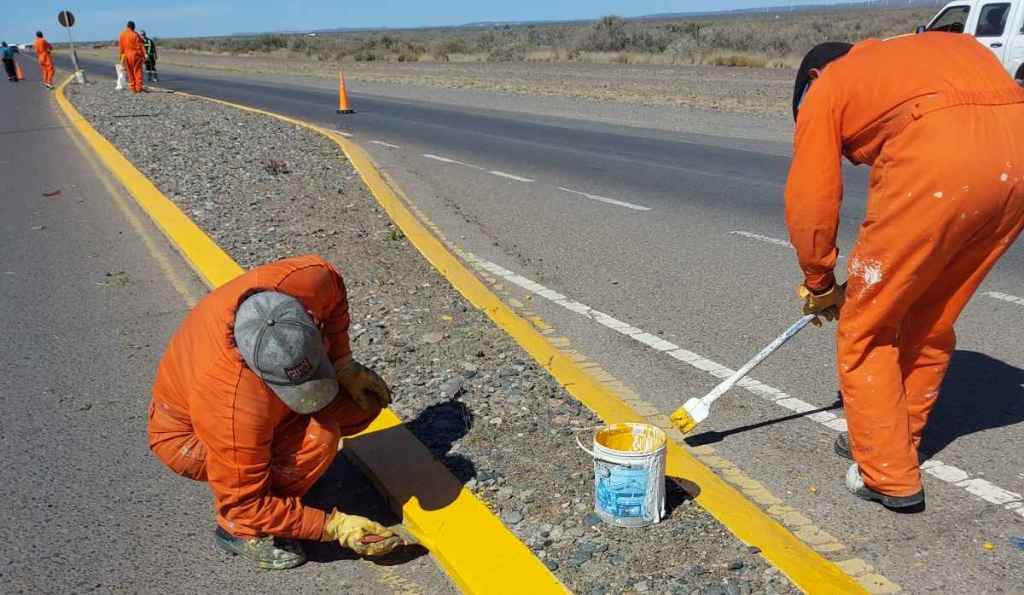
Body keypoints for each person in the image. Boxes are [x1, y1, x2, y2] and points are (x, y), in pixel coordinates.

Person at [786, 33, 1024, 510]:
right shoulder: (936, 49)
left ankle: (887, 476)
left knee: (865, 328)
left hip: (941, 165)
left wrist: (820, 281)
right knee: (931, 316)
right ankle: (892, 442)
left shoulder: (829, 85)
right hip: (1017, 163)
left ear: (814, 75)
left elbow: (812, 199)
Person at [148, 255, 403, 569]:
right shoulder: (232, 405)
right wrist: (333, 527)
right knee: (318, 438)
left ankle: (283, 487)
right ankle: (239, 532)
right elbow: (245, 504)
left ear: (307, 319)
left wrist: (343, 364)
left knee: (357, 406)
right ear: (262, 374)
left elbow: (334, 294)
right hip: (188, 440)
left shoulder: (307, 281)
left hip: (244, 404)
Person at [118, 21, 145, 93]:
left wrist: (121, 57)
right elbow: (141, 46)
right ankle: (139, 88)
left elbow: (121, 47)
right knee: (137, 71)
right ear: (133, 27)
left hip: (126, 56)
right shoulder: (135, 34)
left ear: (127, 26)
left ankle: (133, 88)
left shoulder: (122, 34)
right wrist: (143, 56)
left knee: (130, 72)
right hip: (136, 56)